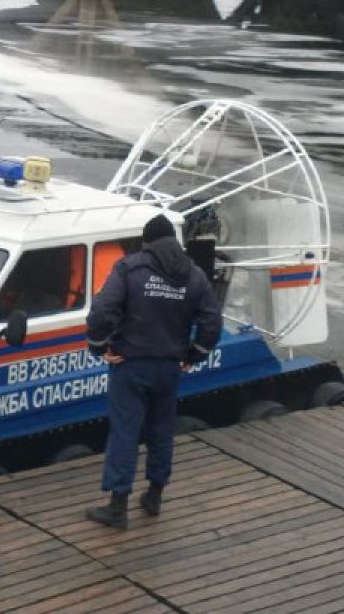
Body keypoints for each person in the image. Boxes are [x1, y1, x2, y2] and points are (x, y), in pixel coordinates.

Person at [84, 212, 223, 529]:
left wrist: (98, 346)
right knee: (161, 431)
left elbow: (103, 311)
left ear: (147, 242)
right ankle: (154, 496)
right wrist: (194, 353)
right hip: (169, 367)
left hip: (130, 364)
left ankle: (118, 507)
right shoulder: (195, 275)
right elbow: (212, 324)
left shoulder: (129, 268)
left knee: (125, 432)